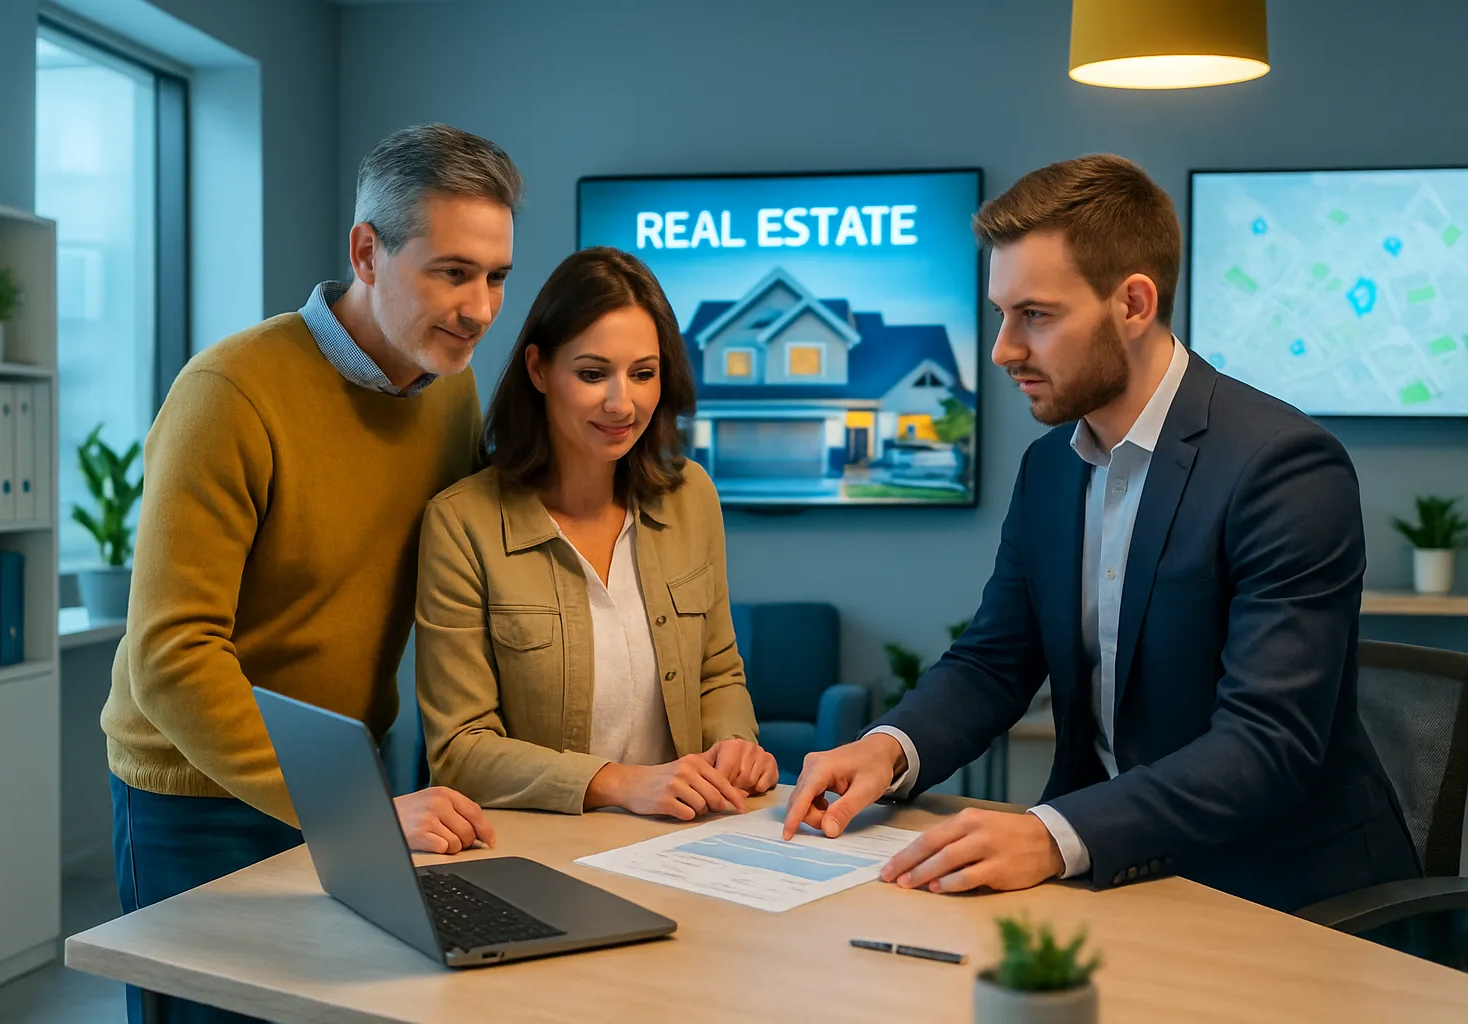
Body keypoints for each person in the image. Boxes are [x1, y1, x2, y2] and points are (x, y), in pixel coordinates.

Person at [782, 154, 1419, 913]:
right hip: (1108, 874)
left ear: (1134, 303)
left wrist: (1051, 835)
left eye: (1036, 316)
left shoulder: (1283, 468)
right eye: (1000, 314)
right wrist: (886, 750)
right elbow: (993, 662)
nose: (1003, 351)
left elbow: (1266, 746)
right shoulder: (1051, 467)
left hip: (1277, 889)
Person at [100, 124, 518, 1023]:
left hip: (350, 776)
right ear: (367, 251)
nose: (481, 308)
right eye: (453, 272)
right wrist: (347, 812)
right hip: (196, 798)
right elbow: (170, 654)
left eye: (496, 277)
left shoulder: (452, 388)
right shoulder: (230, 394)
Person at [414, 246, 778, 820]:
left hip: (686, 842)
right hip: (542, 854)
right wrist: (619, 783)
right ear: (538, 369)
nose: (621, 402)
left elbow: (718, 673)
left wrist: (736, 744)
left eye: (643, 374)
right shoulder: (463, 524)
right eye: (591, 374)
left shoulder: (692, 497)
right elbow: (459, 752)